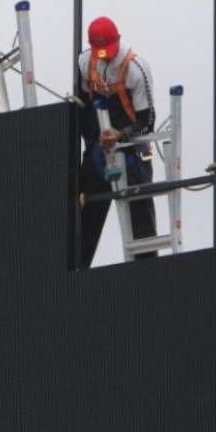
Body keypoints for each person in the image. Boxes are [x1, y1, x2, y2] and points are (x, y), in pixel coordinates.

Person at [76, 16, 157, 266]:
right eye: (99, 52)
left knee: (139, 211)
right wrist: (94, 141)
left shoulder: (135, 68)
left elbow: (148, 120)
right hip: (100, 147)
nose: (104, 57)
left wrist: (120, 135)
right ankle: (76, 268)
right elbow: (83, 104)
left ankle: (145, 269)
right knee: (84, 206)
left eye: (108, 52)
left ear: (118, 40)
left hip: (134, 148)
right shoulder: (85, 61)